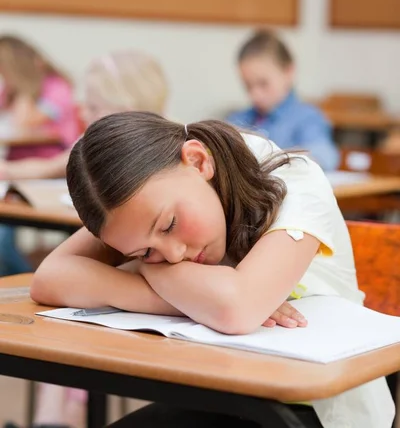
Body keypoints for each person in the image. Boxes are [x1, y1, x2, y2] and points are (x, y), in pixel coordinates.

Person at [31, 113, 394, 428]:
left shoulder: (293, 179)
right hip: (224, 392)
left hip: (319, 408)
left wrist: (143, 268)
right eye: (145, 251)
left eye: (170, 225)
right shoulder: (146, 204)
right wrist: (181, 296)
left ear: (198, 162)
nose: (173, 255)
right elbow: (50, 278)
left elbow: (236, 309)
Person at [1, 51, 169, 428]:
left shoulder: (155, 157)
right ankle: (54, 419)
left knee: (73, 321)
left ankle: (60, 419)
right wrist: (9, 169)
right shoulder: (95, 145)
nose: (84, 112)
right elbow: (52, 163)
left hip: (139, 286)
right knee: (61, 312)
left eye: (92, 106)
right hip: (111, 285)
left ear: (122, 110)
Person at [226, 31, 339, 172]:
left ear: (288, 72)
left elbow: (324, 155)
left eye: (263, 83)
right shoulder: (238, 120)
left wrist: (285, 160)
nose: (255, 94)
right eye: (248, 86)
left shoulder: (308, 118)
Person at [0, 35, 79, 159]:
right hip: (16, 160)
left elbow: (24, 122)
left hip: (50, 159)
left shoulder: (57, 87)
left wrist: (23, 86)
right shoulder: (9, 89)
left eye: (5, 71)